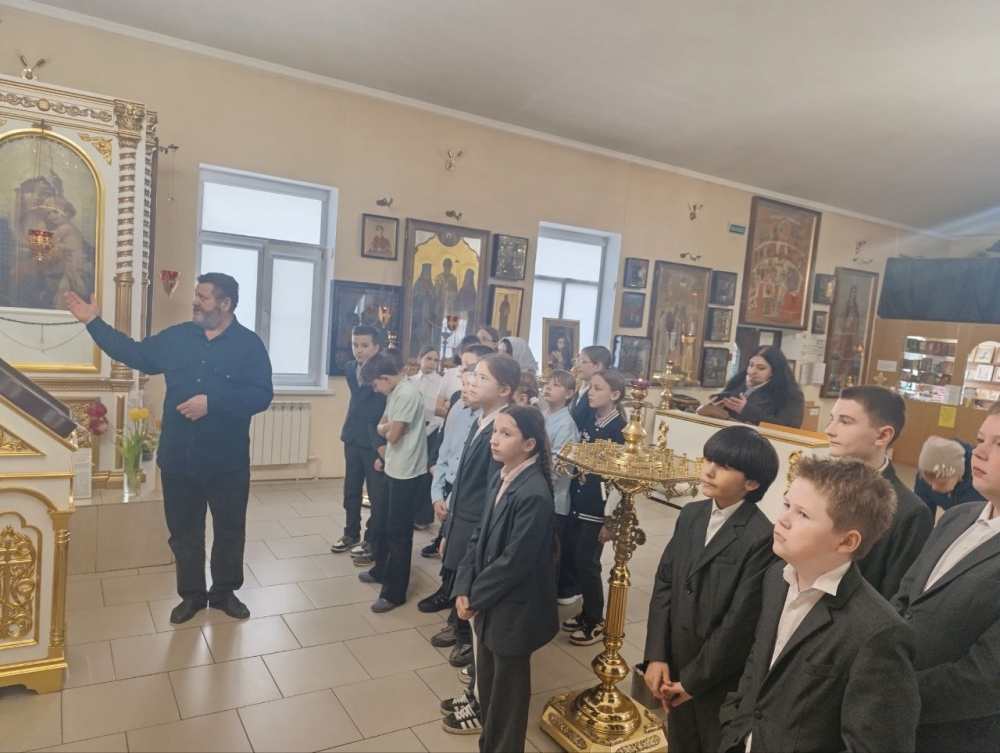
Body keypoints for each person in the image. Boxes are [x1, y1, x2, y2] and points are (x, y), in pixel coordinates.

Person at [64, 275, 273, 624]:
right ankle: (192, 595)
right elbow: (134, 353)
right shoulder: (177, 337)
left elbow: (261, 395)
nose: (195, 301)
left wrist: (213, 403)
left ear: (225, 304)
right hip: (179, 458)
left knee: (229, 531)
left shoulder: (249, 345)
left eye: (203, 297)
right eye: (195, 295)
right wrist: (92, 322)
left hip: (227, 461)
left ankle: (224, 592)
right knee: (184, 534)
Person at [717, 457, 920, 752]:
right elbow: (761, 661)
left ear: (847, 541)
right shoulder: (777, 577)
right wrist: (733, 721)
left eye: (803, 514)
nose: (782, 519)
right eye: (787, 504)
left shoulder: (878, 633)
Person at [643, 425, 780, 753]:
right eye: (708, 460)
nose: (709, 470)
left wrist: (693, 681)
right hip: (676, 660)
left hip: (717, 679)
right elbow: (666, 583)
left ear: (751, 483)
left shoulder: (761, 536)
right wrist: (657, 655)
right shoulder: (691, 514)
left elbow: (739, 624)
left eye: (724, 466)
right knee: (679, 741)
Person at [449, 406, 560, 749]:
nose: (494, 440)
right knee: (489, 690)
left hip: (514, 611)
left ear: (529, 444)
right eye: (495, 431)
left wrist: (475, 596)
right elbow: (478, 536)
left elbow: (514, 562)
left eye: (506, 433)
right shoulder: (502, 476)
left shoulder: (534, 493)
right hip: (491, 603)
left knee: (507, 700)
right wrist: (463, 586)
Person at [892, 402, 1000, 752]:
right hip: (891, 719)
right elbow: (906, 596)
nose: (978, 452)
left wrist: (891, 691)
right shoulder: (958, 517)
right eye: (980, 439)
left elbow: (987, 678)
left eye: (999, 444)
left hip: (953, 733)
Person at [435, 354, 520, 667]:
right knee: (455, 576)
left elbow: (492, 492)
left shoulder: (501, 431)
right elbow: (461, 480)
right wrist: (447, 529)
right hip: (461, 519)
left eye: (483, 378)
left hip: (476, 524)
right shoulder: (480, 420)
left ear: (504, 390)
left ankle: (467, 641)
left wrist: (477, 539)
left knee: (469, 584)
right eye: (474, 376)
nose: (472, 383)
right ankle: (456, 625)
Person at [824, 385, 934, 598]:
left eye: (845, 421)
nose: (830, 430)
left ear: (883, 435)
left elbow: (895, 596)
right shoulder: (819, 486)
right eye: (832, 419)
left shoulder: (910, 513)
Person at [357, 352, 428, 612]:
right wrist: (384, 429)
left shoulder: (407, 393)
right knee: (384, 523)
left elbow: (395, 435)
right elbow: (383, 426)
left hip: (407, 471)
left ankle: (394, 592)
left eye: (376, 384)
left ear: (385, 378)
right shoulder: (394, 392)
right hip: (393, 466)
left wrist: (387, 430)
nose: (376, 390)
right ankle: (381, 570)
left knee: (398, 533)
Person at [563, 369, 627, 646]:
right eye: (590, 387)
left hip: (598, 508)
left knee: (588, 562)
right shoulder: (589, 418)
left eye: (598, 388)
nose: (591, 392)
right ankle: (586, 611)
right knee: (577, 558)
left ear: (615, 395)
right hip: (580, 500)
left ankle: (595, 620)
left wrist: (610, 520)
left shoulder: (619, 430)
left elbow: (620, 481)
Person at [330, 325, 386, 557]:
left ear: (376, 347)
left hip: (374, 438)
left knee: (375, 492)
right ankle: (350, 532)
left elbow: (371, 404)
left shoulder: (383, 371)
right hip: (352, 434)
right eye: (355, 345)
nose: (358, 350)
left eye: (364, 345)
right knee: (351, 488)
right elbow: (357, 400)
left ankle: (372, 538)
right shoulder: (350, 367)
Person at [542, 369, 581, 605]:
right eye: (547, 383)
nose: (548, 387)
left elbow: (559, 466)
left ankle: (546, 601)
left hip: (554, 498)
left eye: (555, 385)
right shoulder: (544, 415)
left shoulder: (566, 424)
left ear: (568, 394)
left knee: (550, 553)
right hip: (541, 492)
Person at [699, 346, 804, 429]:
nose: (753, 371)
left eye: (761, 368)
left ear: (775, 371)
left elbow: (789, 428)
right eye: (751, 365)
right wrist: (715, 407)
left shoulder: (791, 394)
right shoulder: (737, 383)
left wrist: (746, 410)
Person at [410, 346, 443, 529]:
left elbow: (438, 414)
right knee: (412, 470)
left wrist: (425, 432)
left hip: (431, 431)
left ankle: (422, 517)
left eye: (435, 360)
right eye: (428, 358)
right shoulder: (411, 381)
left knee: (425, 473)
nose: (432, 363)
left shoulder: (441, 382)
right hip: (411, 429)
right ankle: (408, 512)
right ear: (419, 359)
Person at [913, 435, 984, 516]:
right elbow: (923, 515)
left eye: (942, 483)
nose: (934, 487)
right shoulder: (924, 477)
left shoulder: (981, 482)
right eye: (928, 482)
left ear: (959, 475)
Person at [436, 334, 482, 419]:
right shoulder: (450, 374)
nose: (462, 369)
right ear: (460, 353)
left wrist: (448, 405)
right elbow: (437, 407)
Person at [570, 345, 613, 431]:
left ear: (597, 366)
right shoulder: (581, 388)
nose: (577, 366)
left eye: (582, 361)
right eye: (577, 361)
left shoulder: (600, 396)